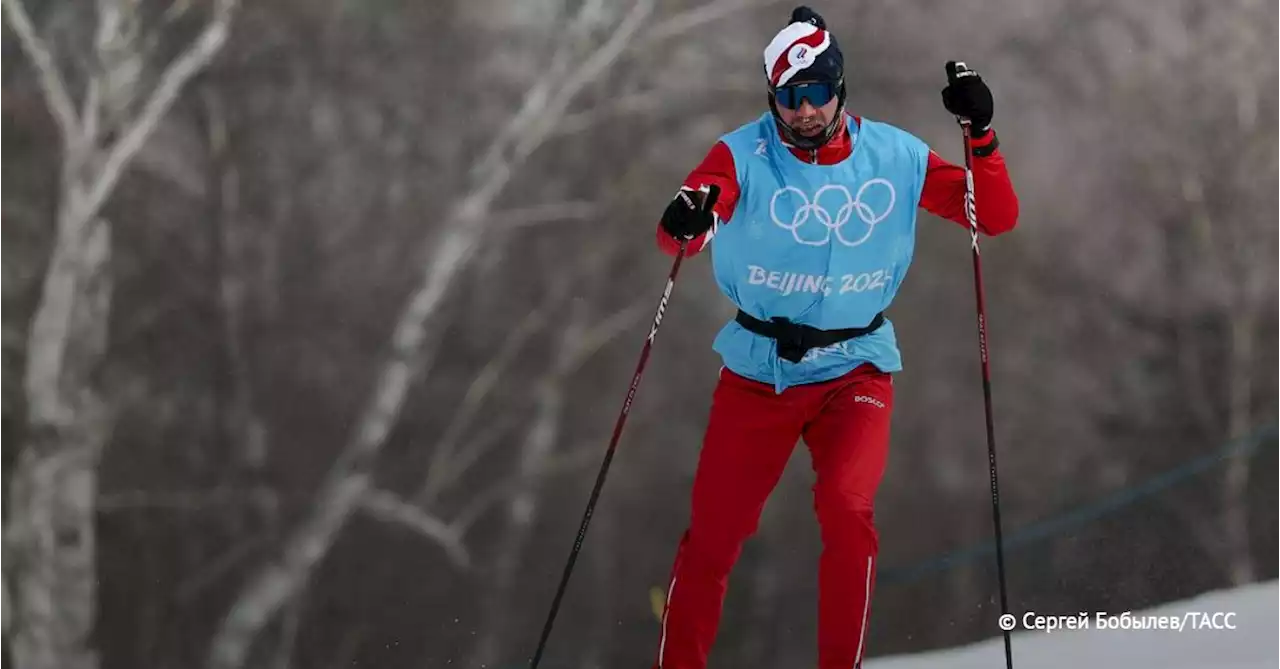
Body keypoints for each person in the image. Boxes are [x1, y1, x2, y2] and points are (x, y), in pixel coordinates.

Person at [649, 6, 1019, 669]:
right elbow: (691, 219)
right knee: (712, 539)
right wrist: (685, 218)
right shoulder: (741, 152)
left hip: (855, 367)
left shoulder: (895, 157)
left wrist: (982, 134)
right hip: (760, 371)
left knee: (848, 514)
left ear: (840, 86)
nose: (805, 111)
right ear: (772, 98)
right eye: (789, 98)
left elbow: (993, 216)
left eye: (817, 92)